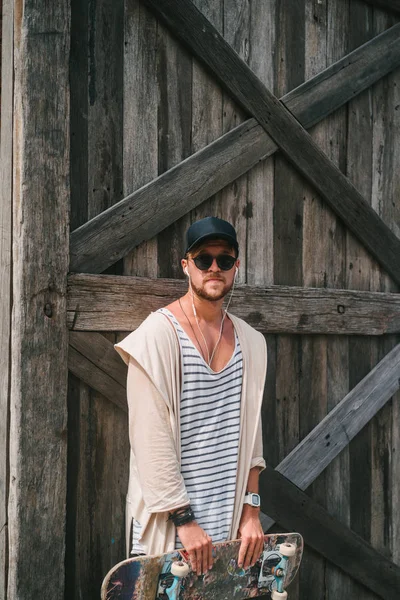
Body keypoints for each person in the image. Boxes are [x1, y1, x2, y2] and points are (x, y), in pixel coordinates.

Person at [114, 216, 267, 576]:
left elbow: (252, 441)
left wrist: (251, 511)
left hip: (228, 530)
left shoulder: (252, 343)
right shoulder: (157, 337)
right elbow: (149, 440)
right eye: (203, 259)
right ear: (186, 266)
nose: (214, 268)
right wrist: (184, 520)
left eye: (225, 260)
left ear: (236, 267)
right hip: (170, 531)